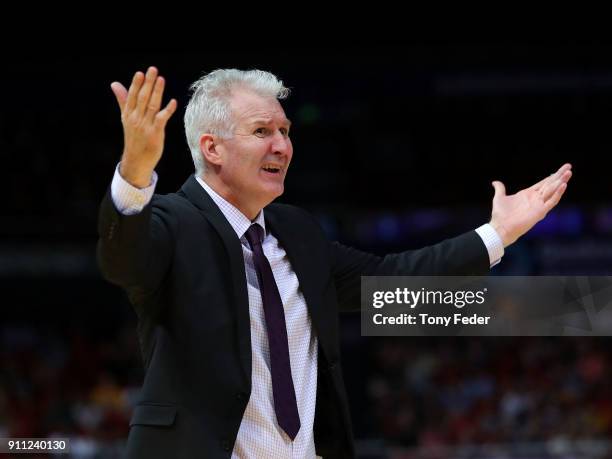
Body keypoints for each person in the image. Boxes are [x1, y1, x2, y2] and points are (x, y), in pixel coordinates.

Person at [97, 66, 572, 458]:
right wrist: (135, 173)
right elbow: (124, 262)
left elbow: (390, 285)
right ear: (212, 148)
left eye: (285, 131)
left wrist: (498, 234)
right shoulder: (171, 222)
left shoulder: (297, 232)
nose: (282, 146)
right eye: (262, 131)